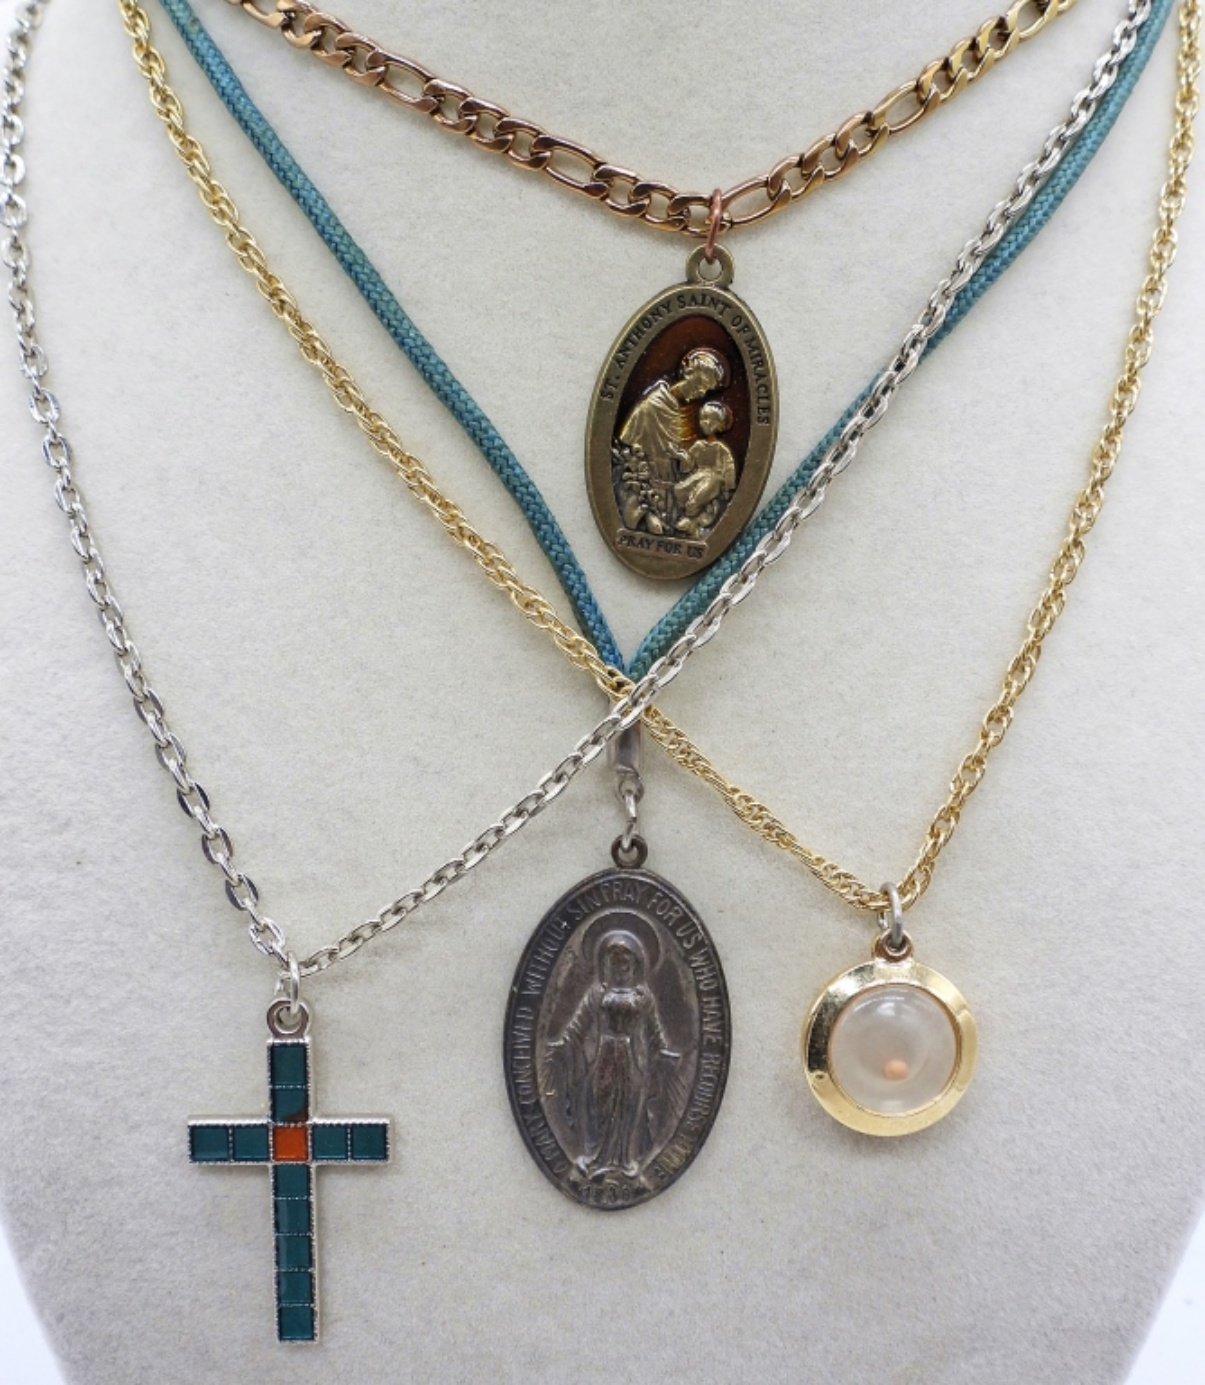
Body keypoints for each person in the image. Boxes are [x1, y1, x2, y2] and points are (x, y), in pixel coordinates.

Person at [545, 929, 683, 1180]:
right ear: (606, 964)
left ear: (635, 963)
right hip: (603, 1057)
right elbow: (578, 1026)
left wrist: (664, 1053)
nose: (620, 967)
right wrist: (563, 1045)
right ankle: (593, 1158)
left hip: (633, 1060)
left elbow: (654, 1030)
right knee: (598, 1103)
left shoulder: (643, 996)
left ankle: (624, 1161)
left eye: (625, 961)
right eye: (615, 962)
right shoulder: (597, 993)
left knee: (629, 1106)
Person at [612, 348, 729, 532]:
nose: (701, 394)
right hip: (648, 491)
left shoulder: (688, 415)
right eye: (701, 385)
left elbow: (687, 466)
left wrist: (684, 460)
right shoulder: (649, 408)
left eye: (706, 390)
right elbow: (625, 454)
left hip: (675, 495)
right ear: (689, 374)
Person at [672, 400, 738, 537]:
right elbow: (688, 465)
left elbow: (729, 468)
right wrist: (681, 457)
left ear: (720, 424)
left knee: (702, 491)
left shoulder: (721, 449)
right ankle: (687, 516)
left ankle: (691, 519)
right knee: (679, 489)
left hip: (715, 479)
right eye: (703, 418)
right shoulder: (698, 446)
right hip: (699, 475)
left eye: (709, 419)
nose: (704, 422)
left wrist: (728, 487)